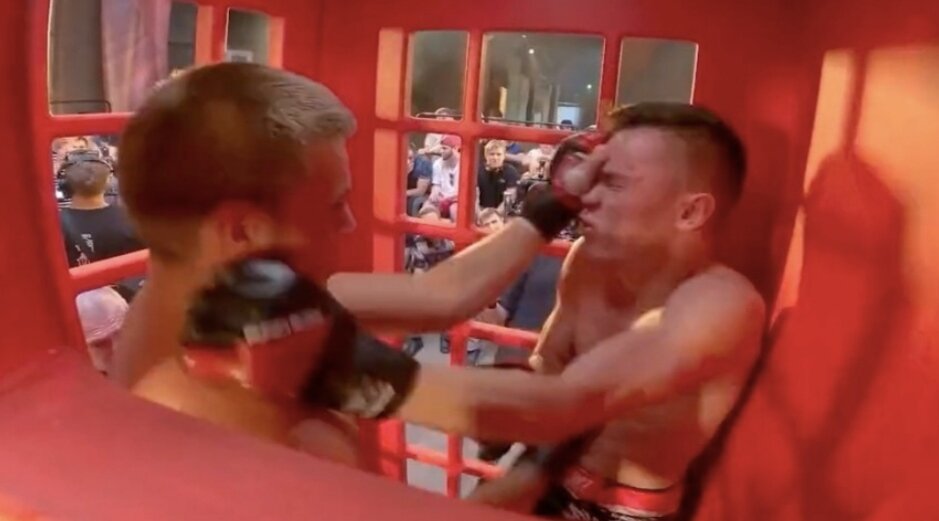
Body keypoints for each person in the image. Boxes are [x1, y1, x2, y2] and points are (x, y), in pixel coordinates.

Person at [294, 103, 765, 521]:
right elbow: (548, 369)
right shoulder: (588, 261)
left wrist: (346, 375)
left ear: (690, 213)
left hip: (628, 509)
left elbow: (567, 402)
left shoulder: (721, 305)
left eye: (614, 182)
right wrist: (513, 448)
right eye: (593, 178)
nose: (588, 196)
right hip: (548, 471)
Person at [110, 63, 593, 468]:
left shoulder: (238, 296)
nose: (349, 222)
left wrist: (556, 203)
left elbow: (440, 295)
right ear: (240, 231)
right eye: (334, 205)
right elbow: (512, 409)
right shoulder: (201, 406)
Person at [58, 151, 145, 300]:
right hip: (124, 303)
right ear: (108, 183)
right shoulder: (134, 220)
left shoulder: (53, 225)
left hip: (73, 302)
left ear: (65, 186)